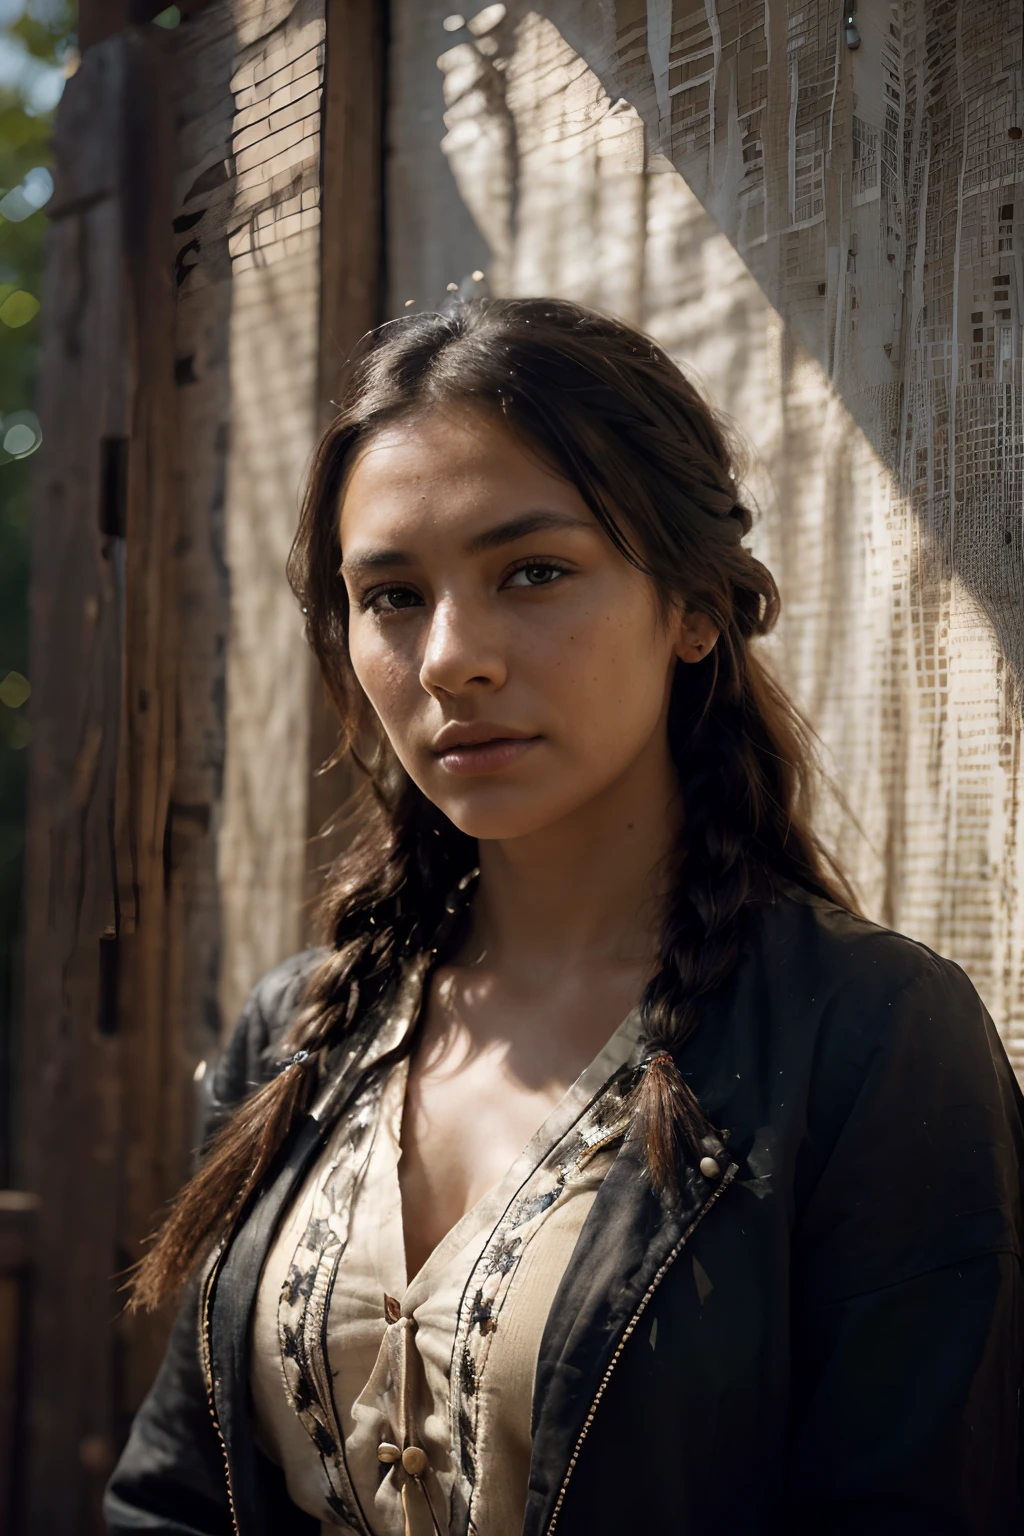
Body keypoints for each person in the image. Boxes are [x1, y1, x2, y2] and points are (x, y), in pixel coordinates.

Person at [105, 298, 1023, 1536]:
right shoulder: (303, 1028)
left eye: (532, 572)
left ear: (691, 607)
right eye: (390, 594)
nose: (450, 657)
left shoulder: (870, 1038)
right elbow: (172, 1498)